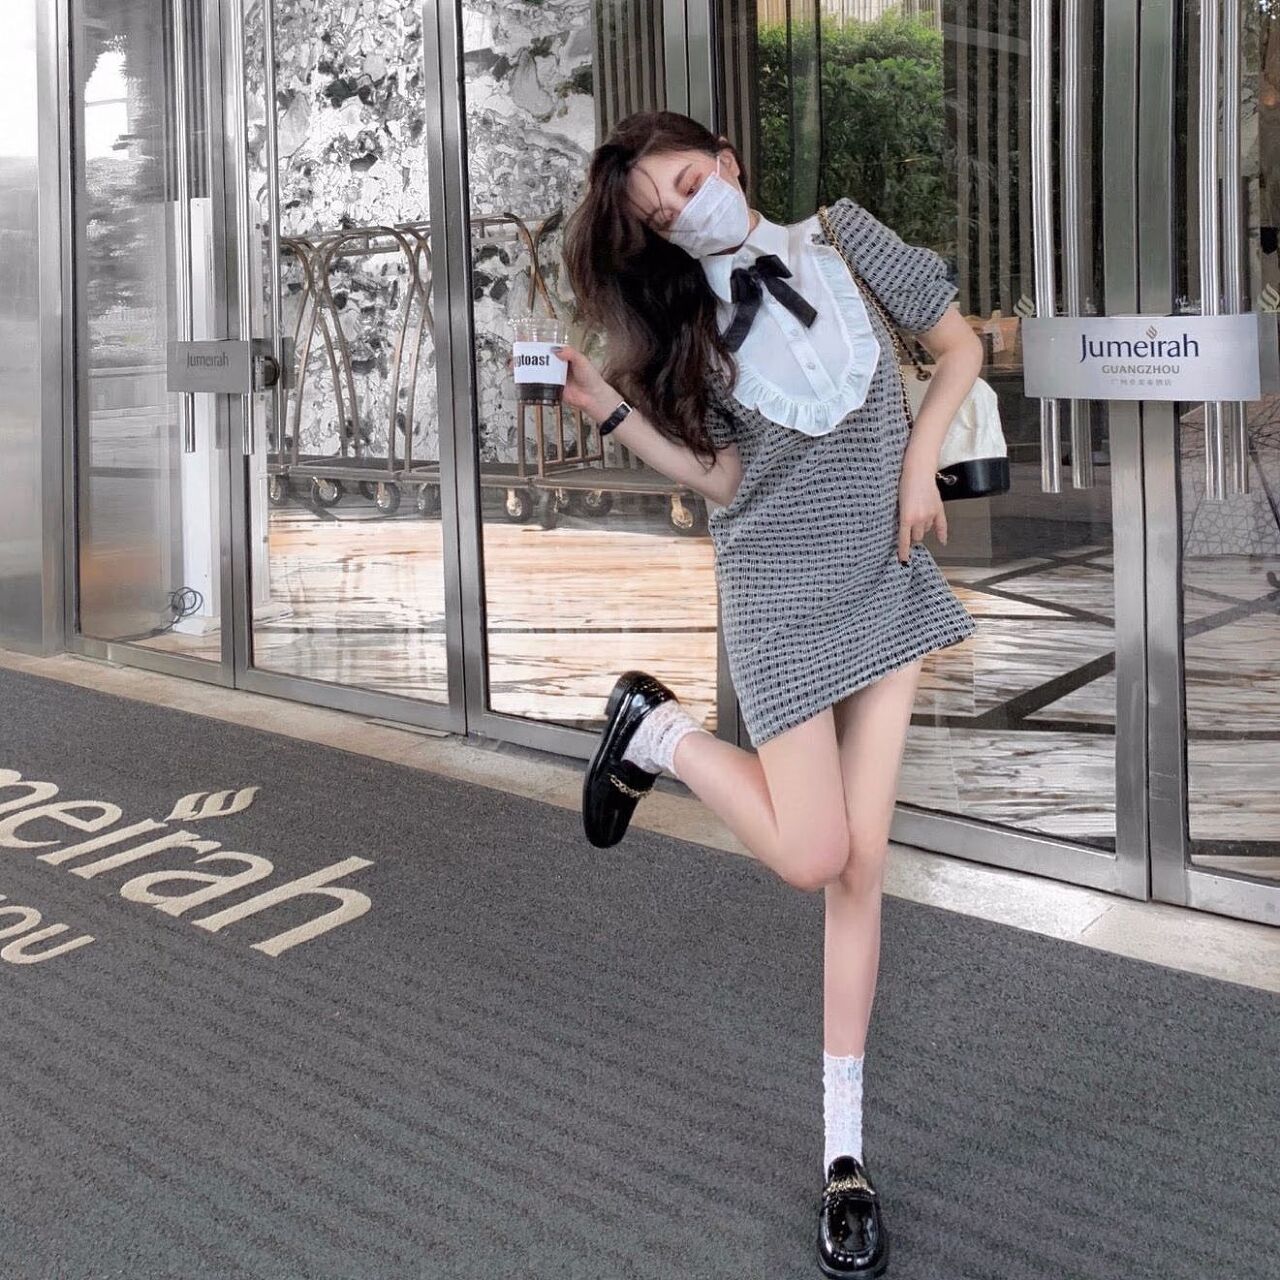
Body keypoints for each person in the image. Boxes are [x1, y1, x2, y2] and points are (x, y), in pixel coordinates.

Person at [556, 109, 980, 1279]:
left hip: (884, 574)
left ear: (728, 162)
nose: (684, 210)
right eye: (659, 214)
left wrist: (917, 463)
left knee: (857, 870)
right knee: (810, 852)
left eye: (688, 180)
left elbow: (957, 349)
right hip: (780, 593)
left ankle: (844, 1157)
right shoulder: (691, 324)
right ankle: (657, 732)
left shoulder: (845, 239)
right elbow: (722, 474)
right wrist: (606, 408)